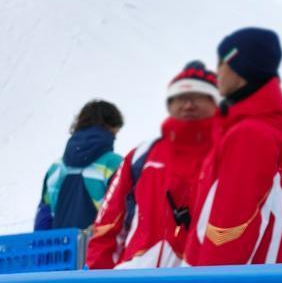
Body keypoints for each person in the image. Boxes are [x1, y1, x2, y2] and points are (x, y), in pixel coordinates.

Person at [86, 62, 220, 269]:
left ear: (216, 102)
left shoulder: (228, 154)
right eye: (179, 98)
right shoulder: (143, 154)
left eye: (199, 97)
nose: (188, 105)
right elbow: (107, 225)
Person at [186, 28, 282, 266]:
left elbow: (225, 241)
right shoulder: (251, 129)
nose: (216, 71)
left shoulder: (250, 136)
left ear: (242, 70)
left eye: (221, 63)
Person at [34, 100, 124, 231]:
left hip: (62, 249)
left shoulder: (56, 168)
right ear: (111, 128)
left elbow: (44, 219)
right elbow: (125, 214)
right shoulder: (114, 164)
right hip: (99, 249)